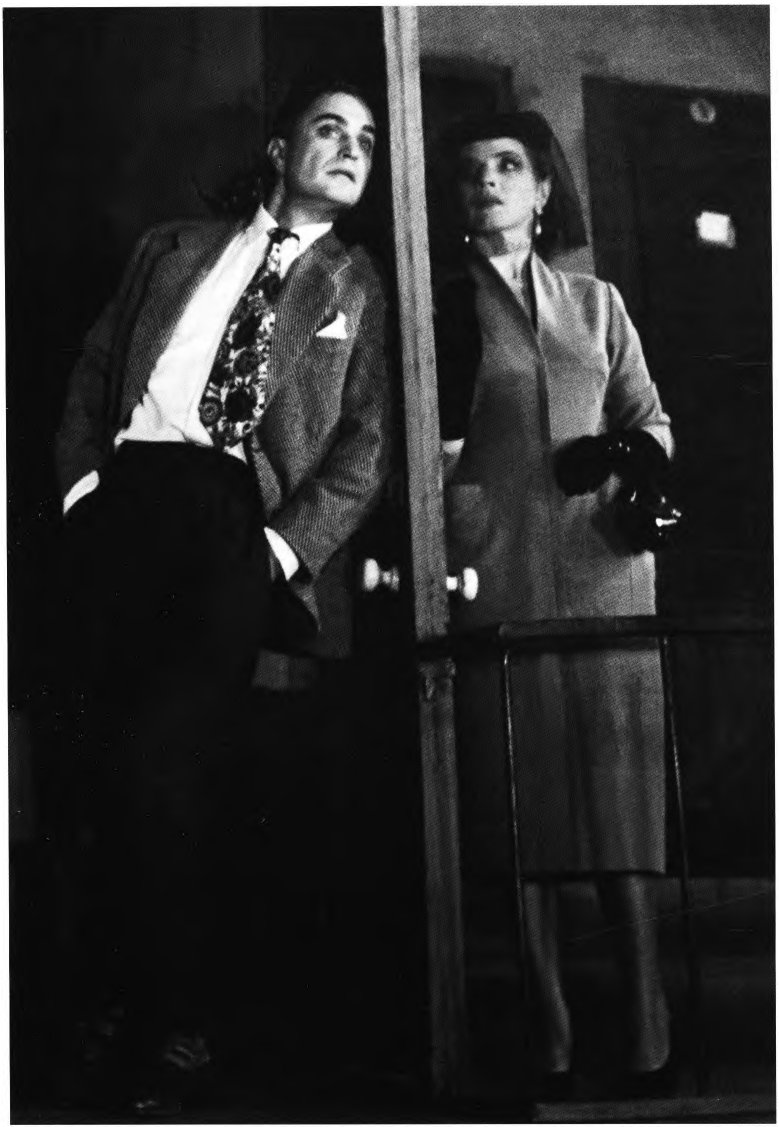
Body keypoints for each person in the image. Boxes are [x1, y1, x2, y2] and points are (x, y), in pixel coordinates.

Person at [53, 74, 390, 1112]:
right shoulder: (172, 246)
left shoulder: (356, 282)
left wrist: (280, 552)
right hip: (125, 508)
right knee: (98, 761)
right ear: (281, 150)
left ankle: (173, 1022)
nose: (352, 147)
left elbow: (366, 444)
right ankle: (109, 1007)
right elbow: (93, 368)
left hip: (232, 524)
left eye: (366, 138)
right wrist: (81, 490)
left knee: (167, 765)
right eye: (329, 128)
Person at [433, 111, 680, 1096]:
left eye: (508, 166)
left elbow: (650, 418)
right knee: (519, 792)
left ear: (541, 190)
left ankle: (648, 1013)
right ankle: (550, 1026)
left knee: (619, 790)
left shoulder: (594, 302)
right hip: (495, 561)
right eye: (470, 169)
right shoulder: (441, 307)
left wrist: (621, 451)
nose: (487, 180)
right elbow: (429, 445)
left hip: (602, 563)